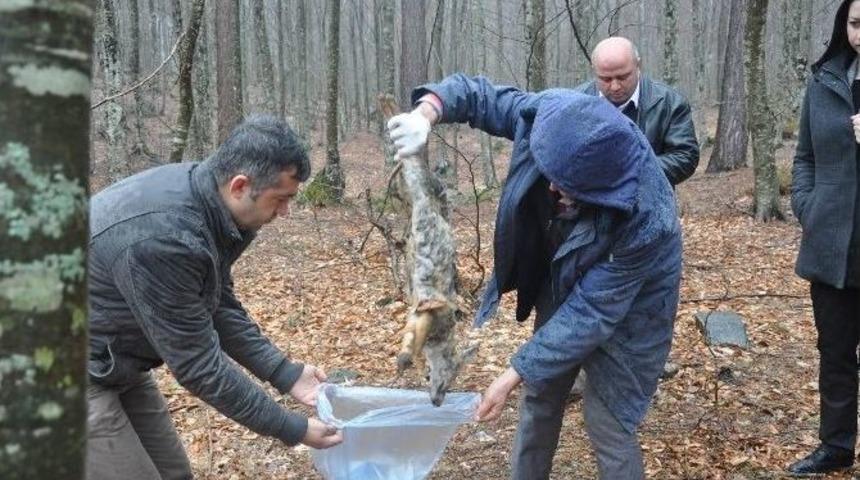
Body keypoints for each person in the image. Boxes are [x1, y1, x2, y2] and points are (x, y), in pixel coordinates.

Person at [387, 75, 682, 479]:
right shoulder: (553, 115)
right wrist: (427, 113)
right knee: (541, 393)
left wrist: (510, 374)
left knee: (609, 420)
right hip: (564, 267)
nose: (553, 188)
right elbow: (480, 97)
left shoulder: (650, 217)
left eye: (570, 187)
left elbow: (590, 312)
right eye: (551, 173)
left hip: (635, 305)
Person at [86, 115, 342, 480]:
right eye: (281, 199)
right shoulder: (166, 238)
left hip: (115, 360)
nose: (285, 213)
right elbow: (199, 366)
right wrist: (290, 427)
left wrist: (286, 374)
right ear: (240, 185)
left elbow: (216, 302)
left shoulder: (217, 208)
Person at [788, 0, 860, 475]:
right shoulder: (825, 82)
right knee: (834, 353)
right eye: (856, 23)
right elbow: (804, 158)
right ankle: (836, 446)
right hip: (834, 245)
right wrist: (808, 208)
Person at [575, 36, 699, 187]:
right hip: (589, 204)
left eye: (623, 77)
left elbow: (686, 156)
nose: (615, 86)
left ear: (638, 66)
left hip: (650, 202)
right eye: (605, 79)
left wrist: (631, 171)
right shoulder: (576, 103)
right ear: (594, 71)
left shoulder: (669, 103)